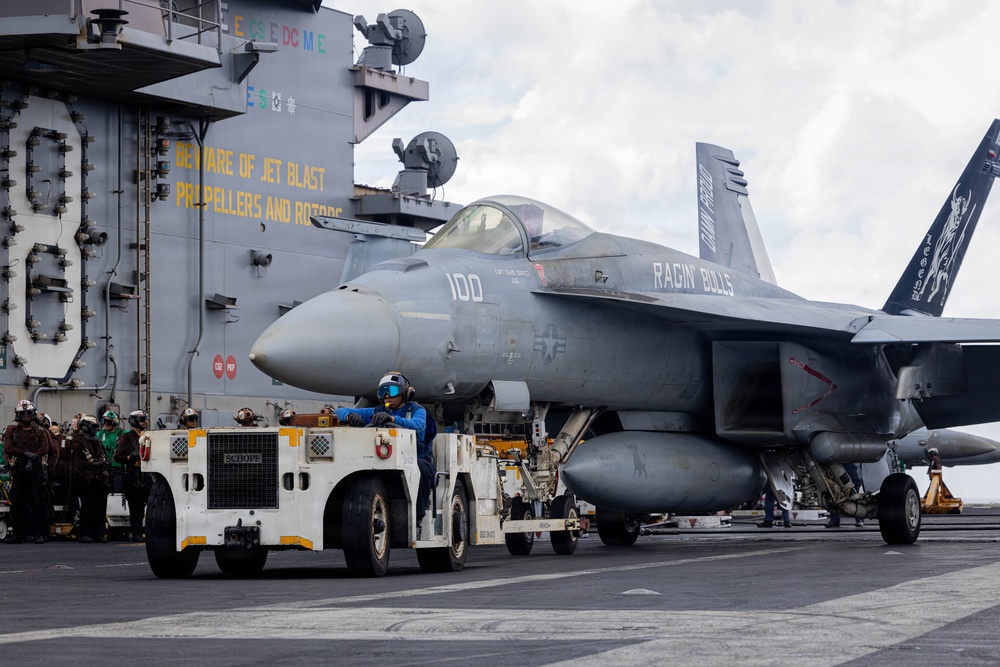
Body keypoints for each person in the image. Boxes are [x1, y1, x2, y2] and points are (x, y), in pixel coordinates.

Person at [336, 372, 436, 535]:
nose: (387, 397)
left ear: (404, 393)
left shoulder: (417, 410)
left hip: (416, 458)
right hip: (385, 460)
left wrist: (393, 420)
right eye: (383, 393)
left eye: (391, 391)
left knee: (421, 469)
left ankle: (418, 517)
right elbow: (339, 411)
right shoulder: (376, 411)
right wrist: (349, 416)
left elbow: (417, 426)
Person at [2, 400, 55, 544]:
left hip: (36, 470)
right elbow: (8, 448)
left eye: (28, 413)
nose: (25, 415)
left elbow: (45, 448)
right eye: (22, 413)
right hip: (19, 469)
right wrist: (25, 454)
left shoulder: (40, 430)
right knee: (17, 502)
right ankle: (19, 533)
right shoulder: (11, 430)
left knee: (38, 501)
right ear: (18, 415)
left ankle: (40, 533)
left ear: (33, 414)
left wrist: (34, 458)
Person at [113, 410, 152, 542]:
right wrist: (130, 457)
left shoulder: (149, 436)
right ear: (135, 421)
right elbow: (117, 457)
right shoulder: (127, 438)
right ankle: (136, 533)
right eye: (142, 419)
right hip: (133, 476)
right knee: (136, 508)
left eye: (145, 419)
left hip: (147, 476)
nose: (145, 422)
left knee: (152, 505)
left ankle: (150, 532)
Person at [73, 415, 111, 543]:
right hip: (85, 480)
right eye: (94, 427)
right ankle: (85, 533)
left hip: (99, 480)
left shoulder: (97, 441)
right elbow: (78, 464)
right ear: (85, 427)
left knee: (100, 508)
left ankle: (99, 533)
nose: (96, 429)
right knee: (87, 508)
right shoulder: (78, 442)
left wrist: (105, 463)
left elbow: (104, 456)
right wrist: (94, 464)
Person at [825, 462, 864, 528]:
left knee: (852, 486)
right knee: (835, 488)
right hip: (839, 460)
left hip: (843, 460)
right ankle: (835, 519)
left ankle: (858, 515)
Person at [97, 411, 127, 494]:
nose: (105, 424)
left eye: (108, 422)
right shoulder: (99, 434)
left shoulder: (123, 434)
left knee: (117, 492)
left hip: (118, 469)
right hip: (104, 469)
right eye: (104, 421)